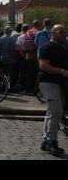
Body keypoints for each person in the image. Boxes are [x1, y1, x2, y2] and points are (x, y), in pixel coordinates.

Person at [38, 24, 68, 158]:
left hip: (57, 83)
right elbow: (43, 65)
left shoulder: (61, 48)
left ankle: (46, 140)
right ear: (53, 33)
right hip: (48, 82)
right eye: (61, 32)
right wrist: (61, 71)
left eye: (65, 32)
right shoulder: (47, 47)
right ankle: (52, 142)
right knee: (56, 112)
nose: (64, 34)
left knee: (52, 111)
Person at [18, 23, 39, 95]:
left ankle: (28, 90)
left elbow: (21, 47)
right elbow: (37, 44)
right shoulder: (37, 32)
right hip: (34, 56)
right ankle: (35, 90)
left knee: (28, 74)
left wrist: (24, 56)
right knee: (35, 74)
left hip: (27, 56)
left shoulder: (26, 34)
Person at [0, 26, 18, 91]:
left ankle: (4, 86)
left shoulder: (1, 38)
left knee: (5, 73)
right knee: (11, 73)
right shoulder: (11, 39)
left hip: (3, 57)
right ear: (10, 31)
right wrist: (14, 57)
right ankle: (10, 87)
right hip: (10, 58)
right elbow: (13, 50)